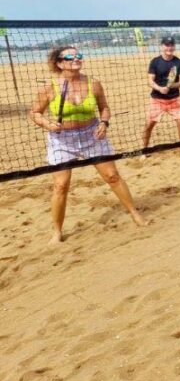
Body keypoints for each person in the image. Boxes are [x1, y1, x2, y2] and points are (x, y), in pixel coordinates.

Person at [28, 46, 147, 244]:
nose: (76, 59)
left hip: (91, 134)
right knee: (61, 185)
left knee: (112, 176)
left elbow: (104, 108)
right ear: (59, 63)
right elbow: (34, 113)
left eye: (78, 56)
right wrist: (48, 123)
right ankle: (56, 232)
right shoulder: (50, 87)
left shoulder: (94, 84)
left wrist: (104, 122)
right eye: (70, 57)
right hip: (62, 139)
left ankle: (135, 214)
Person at [141, 36, 180, 154]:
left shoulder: (179, 62)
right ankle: (144, 151)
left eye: (172, 45)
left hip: (174, 99)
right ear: (162, 46)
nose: (169, 47)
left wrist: (170, 86)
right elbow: (150, 81)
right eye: (167, 45)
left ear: (174, 46)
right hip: (157, 99)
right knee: (148, 125)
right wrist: (160, 88)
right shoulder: (155, 62)